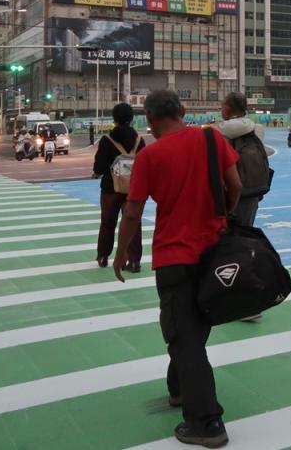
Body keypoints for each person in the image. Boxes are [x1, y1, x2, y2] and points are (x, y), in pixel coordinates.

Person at [113, 90, 241, 448]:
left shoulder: (150, 155)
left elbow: (133, 211)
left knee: (184, 336)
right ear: (183, 111)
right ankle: (179, 389)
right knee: (191, 330)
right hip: (212, 254)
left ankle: (206, 422)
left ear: (149, 121)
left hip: (174, 256)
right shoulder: (211, 137)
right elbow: (236, 185)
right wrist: (221, 217)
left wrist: (121, 253)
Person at [93, 103, 145, 271]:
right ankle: (134, 261)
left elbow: (99, 167)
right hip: (134, 188)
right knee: (133, 223)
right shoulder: (139, 140)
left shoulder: (107, 140)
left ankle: (103, 256)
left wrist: (97, 173)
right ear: (131, 118)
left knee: (108, 222)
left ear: (114, 119)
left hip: (111, 189)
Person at [215, 92, 268, 229]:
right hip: (253, 191)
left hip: (226, 193)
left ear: (226, 110)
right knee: (245, 234)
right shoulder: (258, 129)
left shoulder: (217, 131)